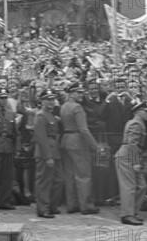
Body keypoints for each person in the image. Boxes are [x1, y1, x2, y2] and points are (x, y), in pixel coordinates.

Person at [60, 82, 100, 215]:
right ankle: (86, 205)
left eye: (82, 92)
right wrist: (94, 146)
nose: (81, 95)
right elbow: (83, 129)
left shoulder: (64, 106)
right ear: (71, 93)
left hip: (66, 140)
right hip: (78, 141)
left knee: (70, 174)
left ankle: (72, 204)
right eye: (78, 92)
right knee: (83, 175)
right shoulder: (77, 107)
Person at [115, 99, 147, 225]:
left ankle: (133, 211)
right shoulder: (136, 123)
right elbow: (132, 143)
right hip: (127, 156)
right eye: (146, 111)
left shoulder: (138, 122)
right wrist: (136, 162)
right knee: (129, 186)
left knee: (142, 185)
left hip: (131, 155)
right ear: (138, 111)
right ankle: (127, 215)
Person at [33, 89, 63, 218]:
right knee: (44, 181)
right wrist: (48, 156)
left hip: (54, 150)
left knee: (59, 179)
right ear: (42, 101)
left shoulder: (50, 115)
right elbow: (41, 138)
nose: (51, 102)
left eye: (52, 99)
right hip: (46, 152)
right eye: (48, 99)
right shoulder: (41, 115)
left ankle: (52, 206)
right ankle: (43, 209)